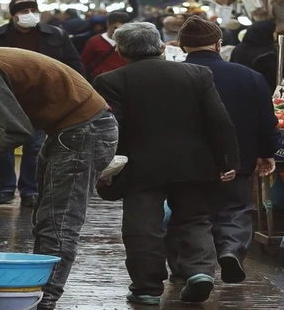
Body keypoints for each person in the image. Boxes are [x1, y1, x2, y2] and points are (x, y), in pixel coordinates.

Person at [0, 47, 118, 310]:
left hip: (84, 131)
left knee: (59, 221)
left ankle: (44, 300)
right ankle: (36, 291)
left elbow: (16, 130)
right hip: (69, 131)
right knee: (47, 220)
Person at [93, 22, 240, 306]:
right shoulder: (197, 74)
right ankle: (199, 272)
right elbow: (219, 121)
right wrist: (227, 161)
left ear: (122, 52)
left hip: (140, 167)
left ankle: (146, 288)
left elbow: (111, 130)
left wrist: (104, 167)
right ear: (162, 47)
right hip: (193, 164)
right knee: (194, 220)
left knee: (143, 228)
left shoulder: (111, 80)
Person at [179, 17, 279, 284]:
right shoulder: (249, 76)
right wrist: (267, 151)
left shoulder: (173, 75)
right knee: (235, 208)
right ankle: (230, 249)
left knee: (191, 213)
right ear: (219, 44)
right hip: (238, 158)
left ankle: (194, 267)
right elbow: (267, 120)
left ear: (181, 45)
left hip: (187, 162)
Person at [0, 0, 83, 206]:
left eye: (33, 11)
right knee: (3, 144)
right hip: (5, 97)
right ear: (13, 15)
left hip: (41, 98)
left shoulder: (56, 35)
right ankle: (6, 188)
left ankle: (30, 190)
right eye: (23, 11)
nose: (29, 15)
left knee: (34, 147)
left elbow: (73, 65)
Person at [230, 19, 279, 92]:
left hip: (237, 90)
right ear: (266, 33)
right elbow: (272, 80)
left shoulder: (238, 48)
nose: (276, 33)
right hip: (260, 93)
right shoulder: (267, 55)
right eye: (274, 31)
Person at [80, 11, 131, 81]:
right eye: (115, 28)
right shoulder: (94, 42)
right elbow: (84, 63)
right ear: (108, 25)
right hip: (101, 82)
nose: (118, 32)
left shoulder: (130, 42)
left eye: (122, 29)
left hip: (124, 81)